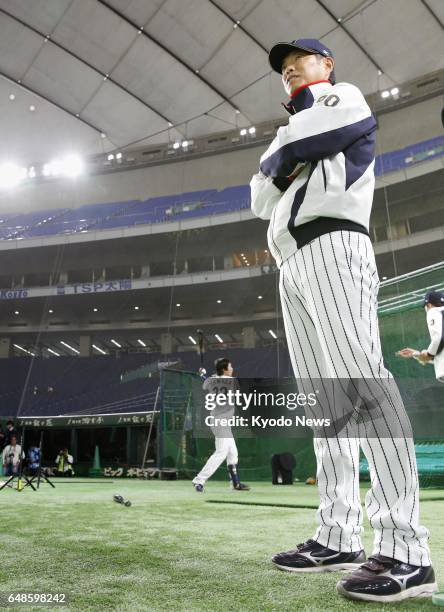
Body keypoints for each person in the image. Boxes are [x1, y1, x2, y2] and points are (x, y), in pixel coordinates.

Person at [250, 37, 436, 602]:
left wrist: (285, 158)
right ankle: (338, 534)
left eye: (299, 62)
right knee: (327, 403)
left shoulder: (342, 97)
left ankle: (406, 549)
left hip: (334, 243)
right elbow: (259, 193)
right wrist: (283, 157)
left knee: (362, 387)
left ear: (326, 64)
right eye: (284, 69)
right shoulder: (290, 128)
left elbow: (306, 146)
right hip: (291, 260)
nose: (290, 72)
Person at [192, 358, 249, 492]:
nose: (232, 368)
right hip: (221, 422)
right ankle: (199, 480)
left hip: (219, 421)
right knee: (221, 453)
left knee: (233, 453)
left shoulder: (211, 380)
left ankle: (235, 483)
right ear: (224, 369)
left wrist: (203, 374)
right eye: (230, 366)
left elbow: (206, 385)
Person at [397, 290, 444, 382]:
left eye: (426, 306)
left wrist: (429, 354)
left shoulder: (434, 311)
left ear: (429, 305)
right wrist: (417, 354)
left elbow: (439, 338)